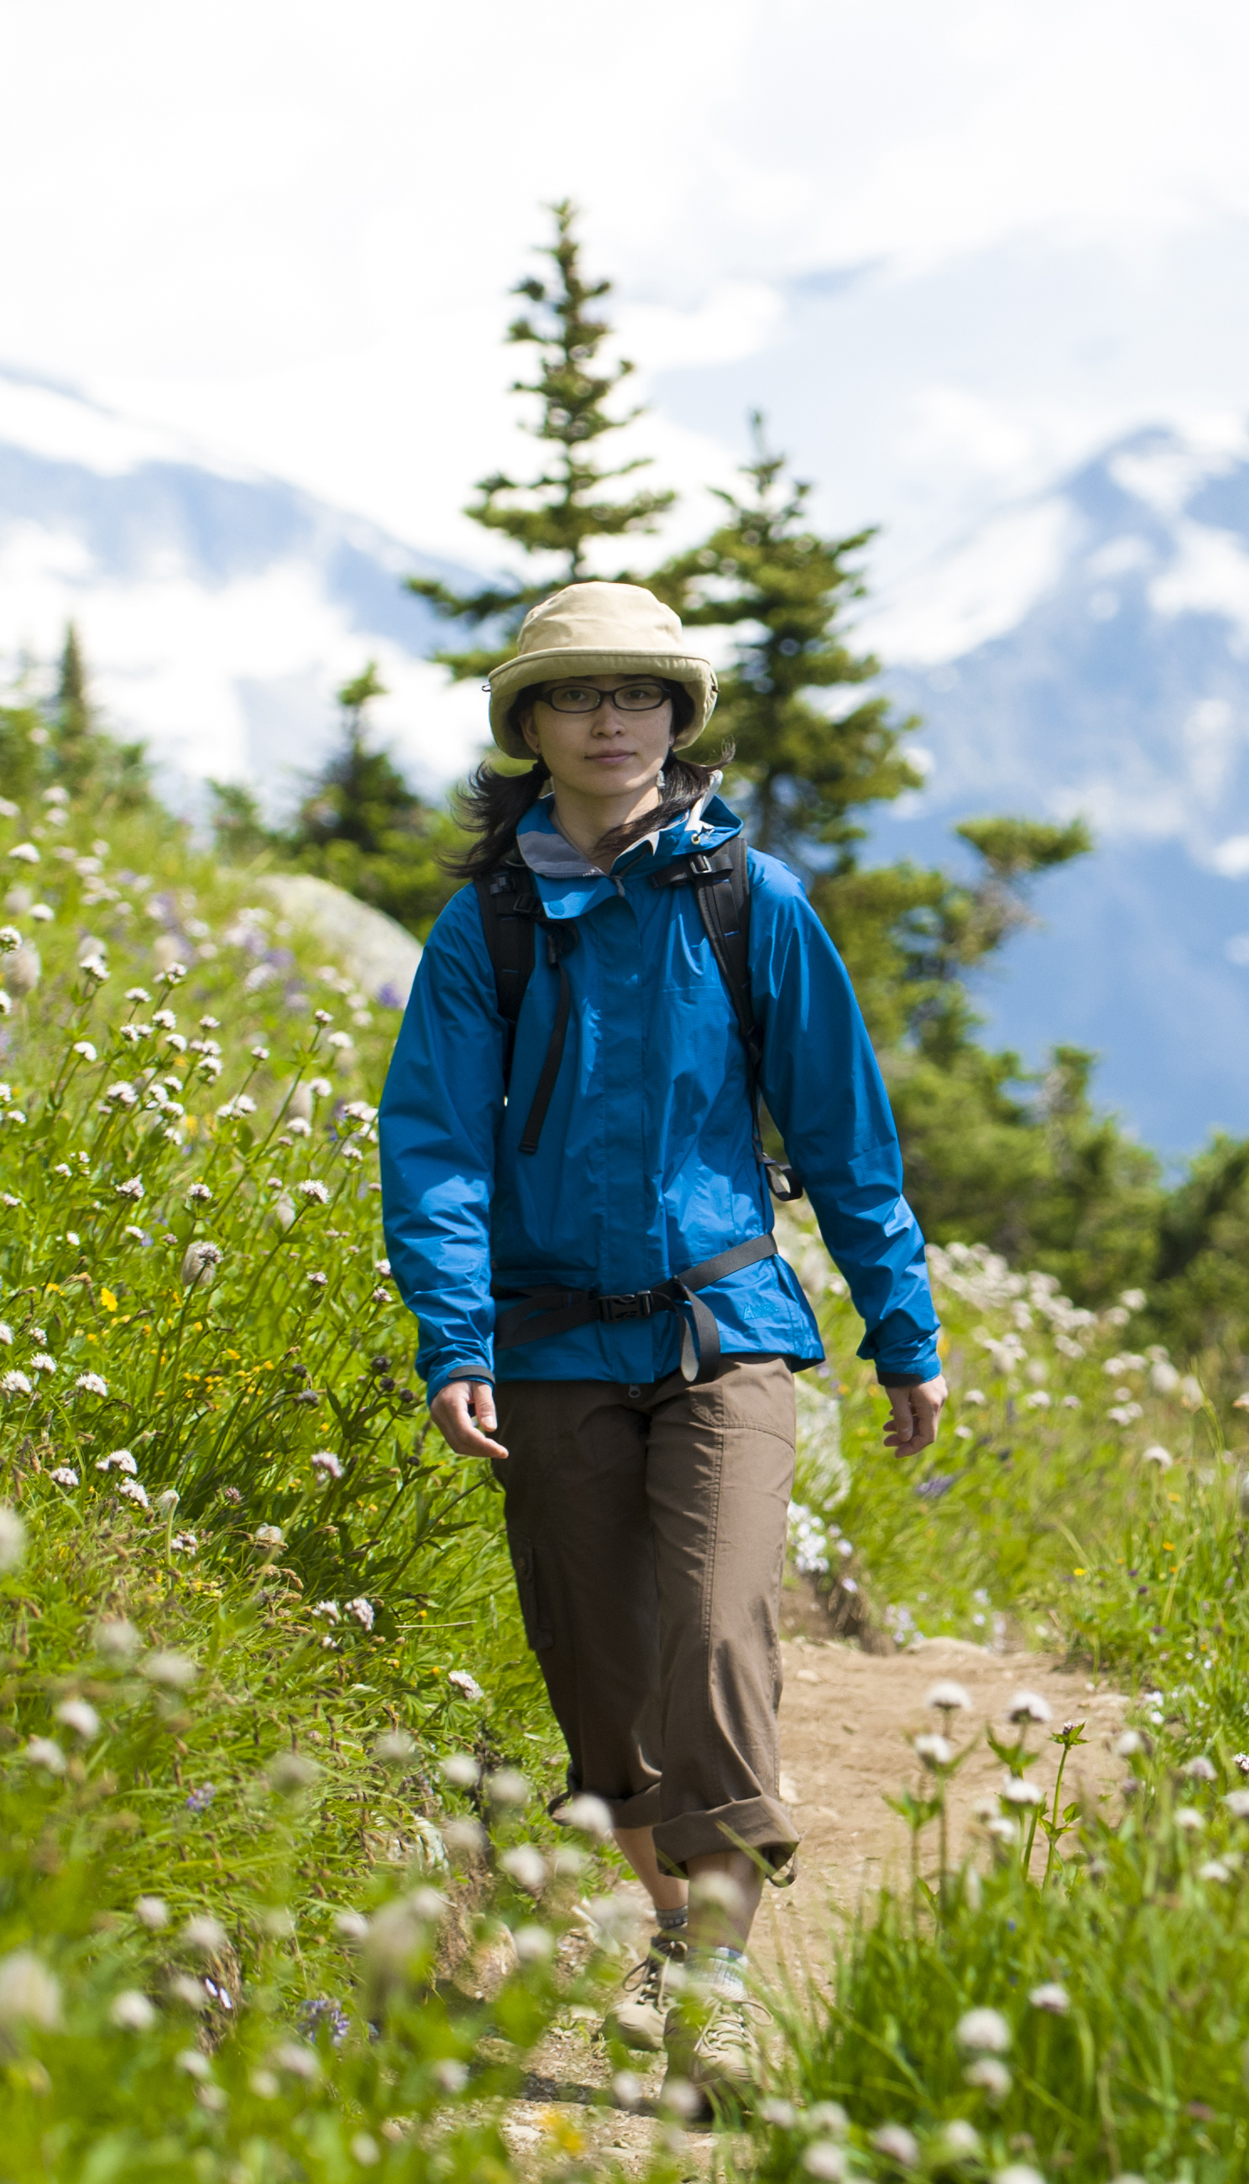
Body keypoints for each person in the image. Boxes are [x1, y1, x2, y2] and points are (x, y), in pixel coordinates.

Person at [377, 579, 945, 2098]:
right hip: (549, 1347)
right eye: (578, 696)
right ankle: (673, 1938)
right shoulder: (487, 923)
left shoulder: (749, 900)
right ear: (532, 729)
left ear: (679, 720)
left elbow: (840, 1127)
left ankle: (713, 1977)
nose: (612, 718)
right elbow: (433, 1146)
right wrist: (456, 1335)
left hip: (728, 1334)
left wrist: (904, 1328)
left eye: (640, 694)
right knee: (607, 1687)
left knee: (710, 1631)